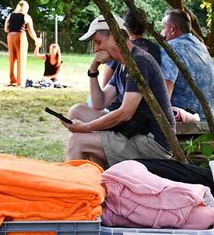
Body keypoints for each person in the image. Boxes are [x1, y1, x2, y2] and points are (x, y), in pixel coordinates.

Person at [62, 14, 175, 168]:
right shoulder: (123, 64)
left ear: (114, 36)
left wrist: (85, 128)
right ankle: (99, 176)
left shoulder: (139, 62)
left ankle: (75, 191)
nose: (96, 49)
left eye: (98, 42)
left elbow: (125, 113)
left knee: (77, 142)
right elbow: (98, 103)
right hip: (133, 131)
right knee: (77, 111)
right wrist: (93, 70)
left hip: (153, 142)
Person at [160, 9, 214, 120]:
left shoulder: (170, 48)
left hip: (188, 120)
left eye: (163, 28)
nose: (161, 33)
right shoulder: (201, 46)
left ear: (173, 29)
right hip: (211, 116)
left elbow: (165, 90)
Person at [101, 8, 161, 87]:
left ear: (124, 25)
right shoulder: (155, 48)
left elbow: (105, 83)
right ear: (145, 26)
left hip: (121, 96)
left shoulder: (119, 47)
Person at [4, 0, 40, 87]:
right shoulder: (26, 17)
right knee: (21, 58)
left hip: (10, 37)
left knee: (12, 59)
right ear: (26, 8)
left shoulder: (10, 15)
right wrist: (36, 39)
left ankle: (12, 80)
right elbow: (31, 31)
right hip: (20, 37)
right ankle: (20, 81)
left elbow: (6, 29)